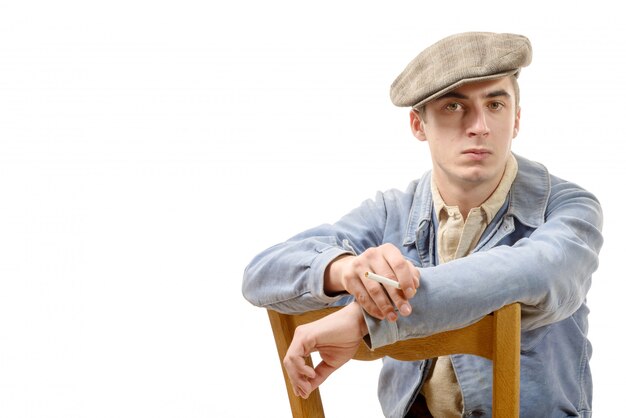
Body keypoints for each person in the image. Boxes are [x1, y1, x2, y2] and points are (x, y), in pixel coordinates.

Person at [242, 32, 603, 417]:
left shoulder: (570, 208)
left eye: (495, 104)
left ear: (516, 118)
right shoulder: (391, 212)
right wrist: (347, 269)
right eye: (453, 106)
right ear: (418, 125)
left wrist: (364, 317)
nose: (480, 126)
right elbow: (261, 275)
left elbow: (529, 274)